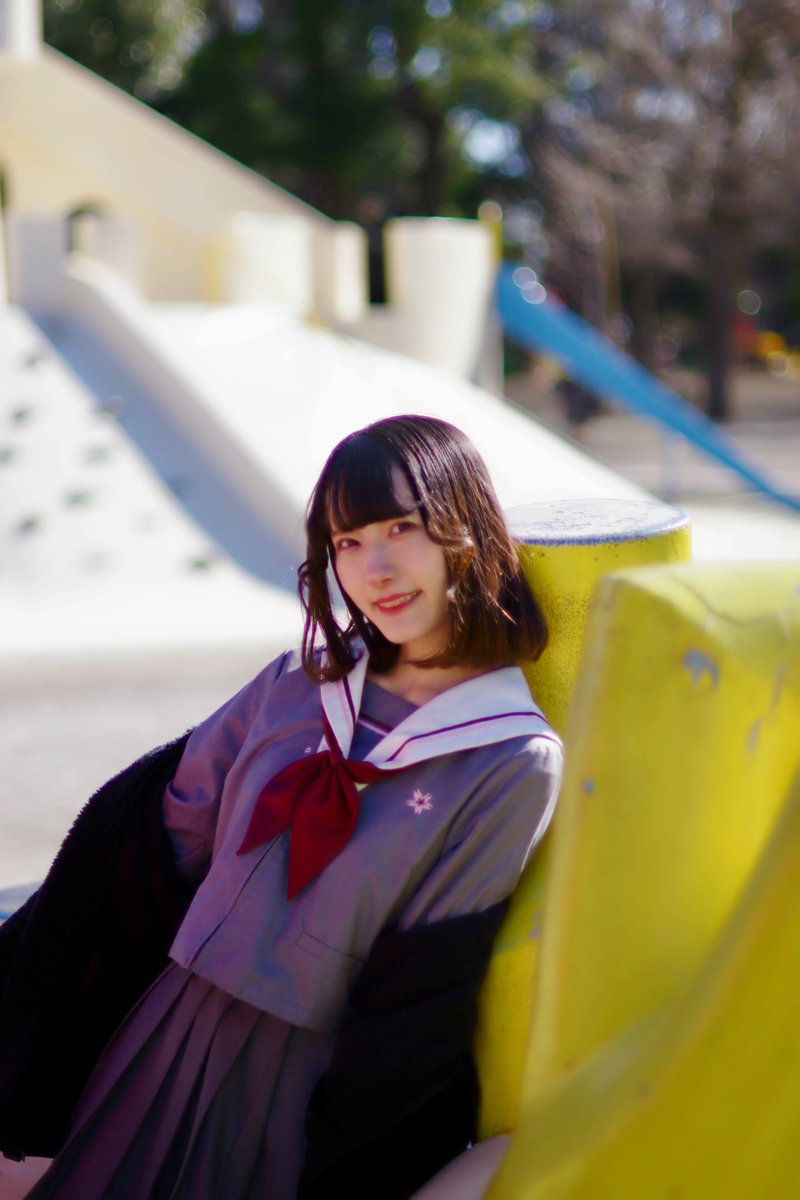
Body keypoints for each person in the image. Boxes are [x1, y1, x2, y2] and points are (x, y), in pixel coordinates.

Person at [5, 415, 562, 1200]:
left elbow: (424, 986)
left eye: (401, 528)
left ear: (462, 527)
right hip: (163, 1036)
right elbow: (155, 835)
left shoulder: (509, 759)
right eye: (347, 542)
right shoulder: (300, 682)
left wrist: (347, 1150)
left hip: (292, 1088)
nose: (375, 568)